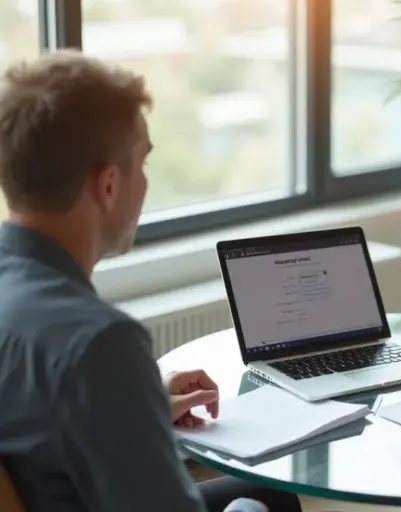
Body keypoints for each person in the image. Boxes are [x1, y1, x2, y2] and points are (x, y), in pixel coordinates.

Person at [0, 50, 302, 512]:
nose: (144, 183)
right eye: (142, 164)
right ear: (107, 186)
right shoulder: (100, 343)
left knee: (270, 491)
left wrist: (136, 408)